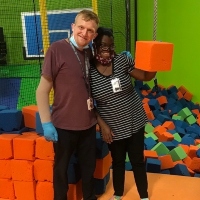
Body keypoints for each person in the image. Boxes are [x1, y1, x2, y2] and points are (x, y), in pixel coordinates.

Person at [36, 10, 99, 200]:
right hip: (63, 126)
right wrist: (46, 122)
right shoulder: (56, 49)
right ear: (73, 27)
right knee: (61, 169)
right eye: (81, 27)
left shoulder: (89, 52)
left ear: (94, 35)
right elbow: (41, 91)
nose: (84, 33)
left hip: (88, 124)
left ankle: (89, 197)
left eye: (90, 30)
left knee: (89, 167)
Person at [90, 27, 157, 200]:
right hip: (112, 126)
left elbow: (144, 76)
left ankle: (144, 196)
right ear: (95, 45)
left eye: (111, 46)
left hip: (134, 120)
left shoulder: (122, 60)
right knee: (118, 161)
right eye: (103, 45)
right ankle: (118, 193)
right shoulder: (88, 71)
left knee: (137, 161)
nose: (108, 49)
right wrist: (102, 125)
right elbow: (89, 103)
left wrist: (155, 62)